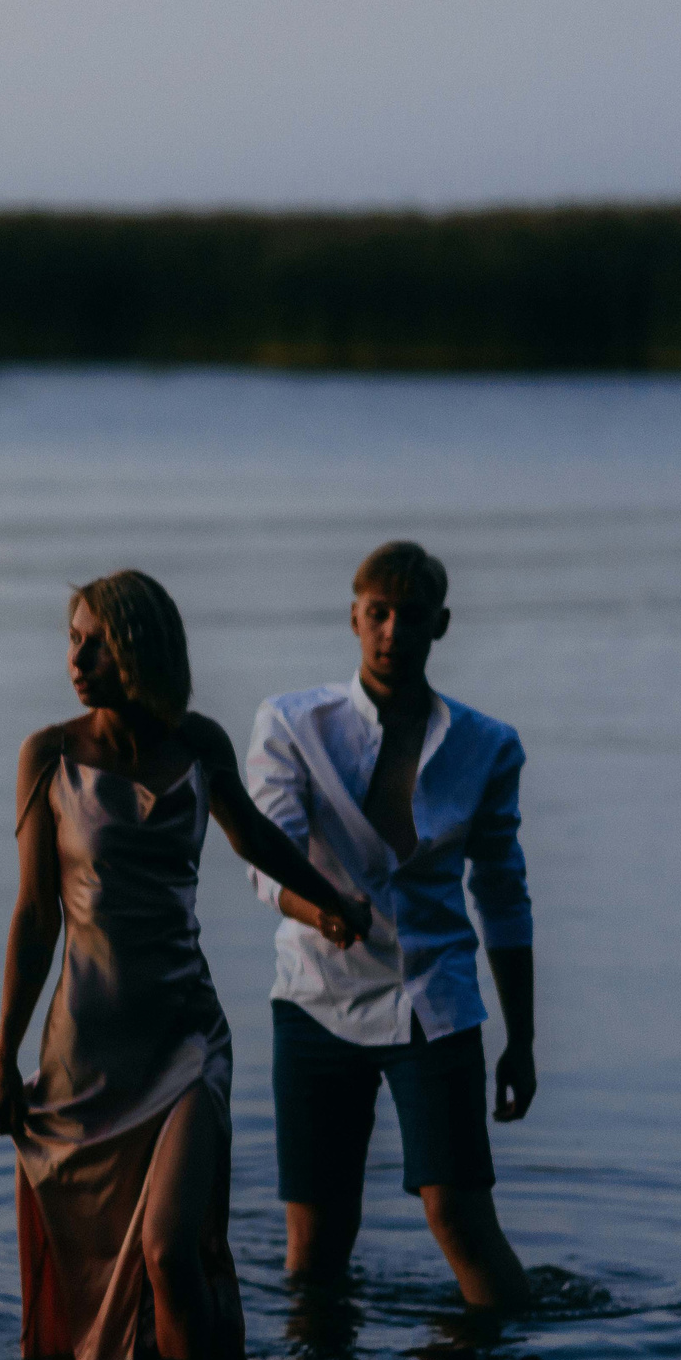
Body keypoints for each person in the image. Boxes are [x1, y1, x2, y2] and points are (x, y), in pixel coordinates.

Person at [0, 570, 374, 1360]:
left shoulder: (199, 743)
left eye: (95, 640)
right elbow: (34, 917)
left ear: (139, 647)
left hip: (186, 1038)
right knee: (104, 1268)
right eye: (72, 639)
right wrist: (2, 1056)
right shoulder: (49, 755)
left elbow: (253, 837)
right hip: (84, 1050)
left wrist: (328, 896)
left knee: (168, 1250)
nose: (77, 656)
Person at [245, 541, 537, 1309]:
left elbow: (503, 893)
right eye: (378, 613)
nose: (391, 632)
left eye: (410, 617)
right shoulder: (291, 723)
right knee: (314, 1245)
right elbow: (264, 856)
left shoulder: (487, 744)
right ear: (353, 616)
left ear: (441, 624)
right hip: (315, 995)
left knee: (458, 1217)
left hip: (433, 1002)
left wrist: (524, 1037)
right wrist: (324, 912)